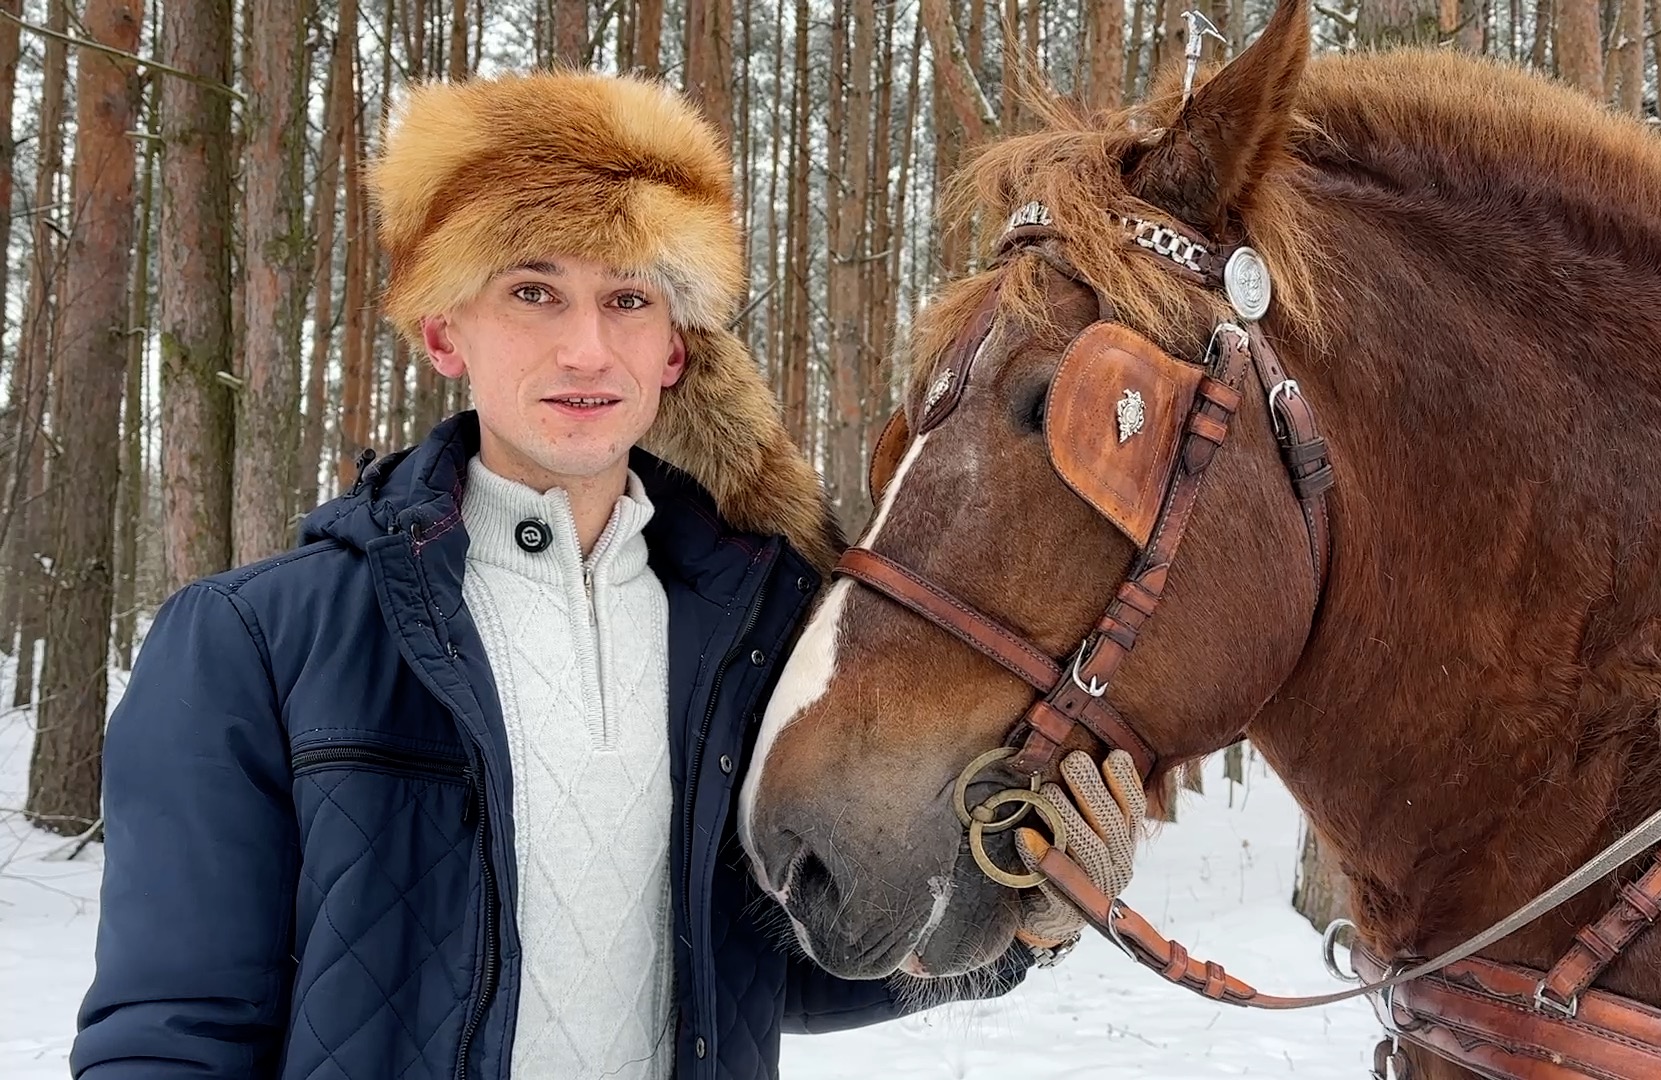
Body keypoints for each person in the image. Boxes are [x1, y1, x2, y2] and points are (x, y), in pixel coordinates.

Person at [69, 71, 1143, 1080]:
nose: (588, 349)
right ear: (445, 331)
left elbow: (783, 965)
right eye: (535, 292)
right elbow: (174, 1032)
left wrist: (1022, 918)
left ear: (676, 351)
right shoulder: (253, 642)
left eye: (629, 300)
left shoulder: (757, 630)